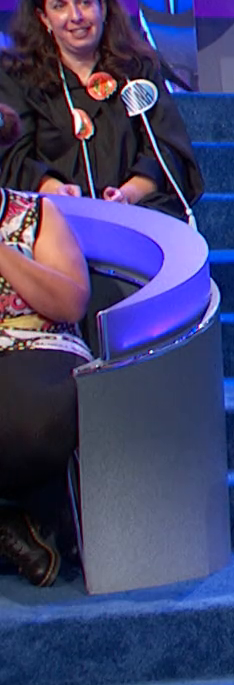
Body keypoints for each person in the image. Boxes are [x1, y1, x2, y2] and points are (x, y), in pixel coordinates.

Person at [0, 0, 202, 221]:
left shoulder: (136, 69)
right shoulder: (18, 76)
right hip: (51, 215)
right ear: (44, 18)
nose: (76, 16)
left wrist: (127, 195)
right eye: (60, 6)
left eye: (85, 2)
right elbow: (13, 159)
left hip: (135, 214)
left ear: (103, 8)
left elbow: (166, 151)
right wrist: (55, 190)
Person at [0, 101, 91, 588]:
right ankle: (14, 521)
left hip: (36, 351)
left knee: (30, 418)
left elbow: (69, 302)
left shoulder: (35, 214)